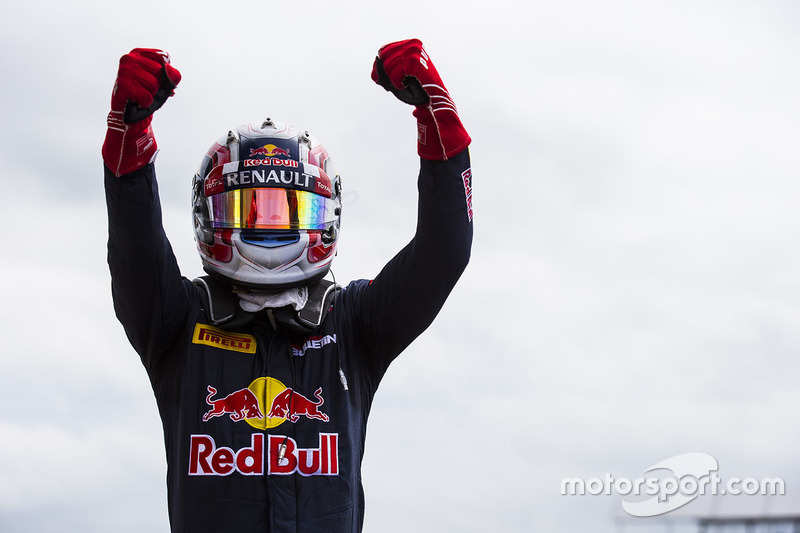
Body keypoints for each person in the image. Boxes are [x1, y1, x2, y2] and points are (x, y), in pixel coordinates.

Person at [102, 39, 473, 532]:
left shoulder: (354, 325)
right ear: (207, 213)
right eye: (250, 208)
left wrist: (439, 125)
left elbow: (444, 252)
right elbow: (134, 251)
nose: (270, 225)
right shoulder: (175, 320)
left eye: (290, 209)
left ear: (328, 213)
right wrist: (130, 136)